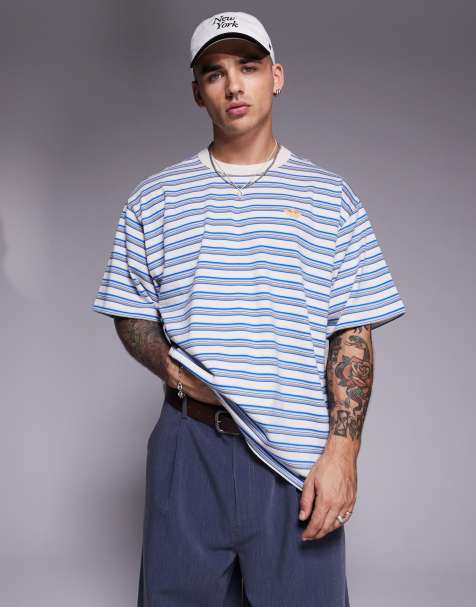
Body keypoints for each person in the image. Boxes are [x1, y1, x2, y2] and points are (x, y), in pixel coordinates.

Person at [92, 10, 406, 607]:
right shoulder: (154, 198)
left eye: (249, 66)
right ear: (197, 92)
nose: (234, 85)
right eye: (215, 73)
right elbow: (130, 311)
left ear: (276, 77)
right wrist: (171, 369)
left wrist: (343, 453)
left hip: (295, 454)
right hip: (189, 444)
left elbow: (352, 332)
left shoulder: (331, 198)